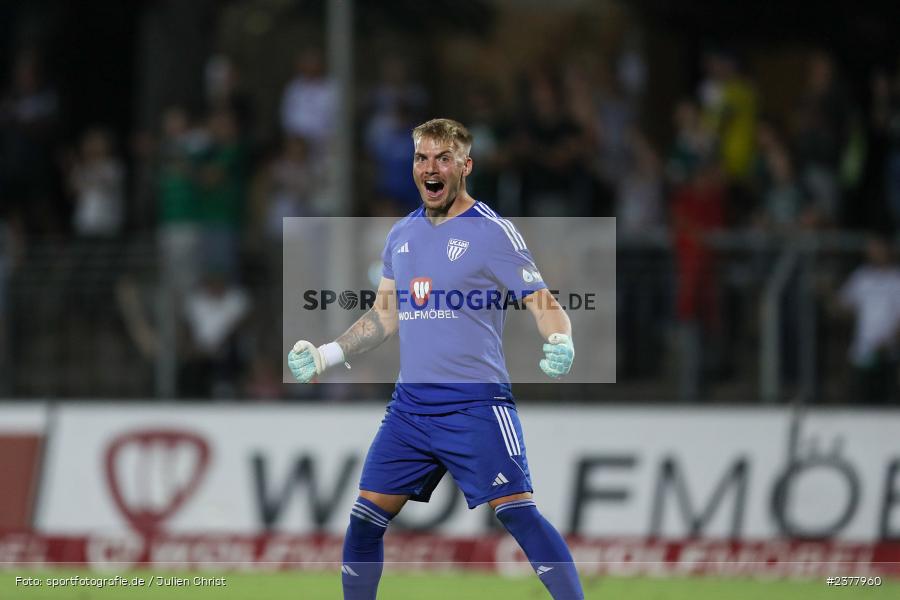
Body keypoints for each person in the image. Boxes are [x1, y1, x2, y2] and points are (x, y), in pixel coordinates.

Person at [288, 118, 583, 599]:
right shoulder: (401, 235)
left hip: (474, 406)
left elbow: (542, 301)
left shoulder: (492, 232)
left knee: (518, 514)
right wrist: (326, 354)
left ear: (465, 166)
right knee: (364, 521)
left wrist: (561, 339)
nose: (431, 168)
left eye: (443, 159)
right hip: (411, 410)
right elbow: (384, 316)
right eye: (422, 158)